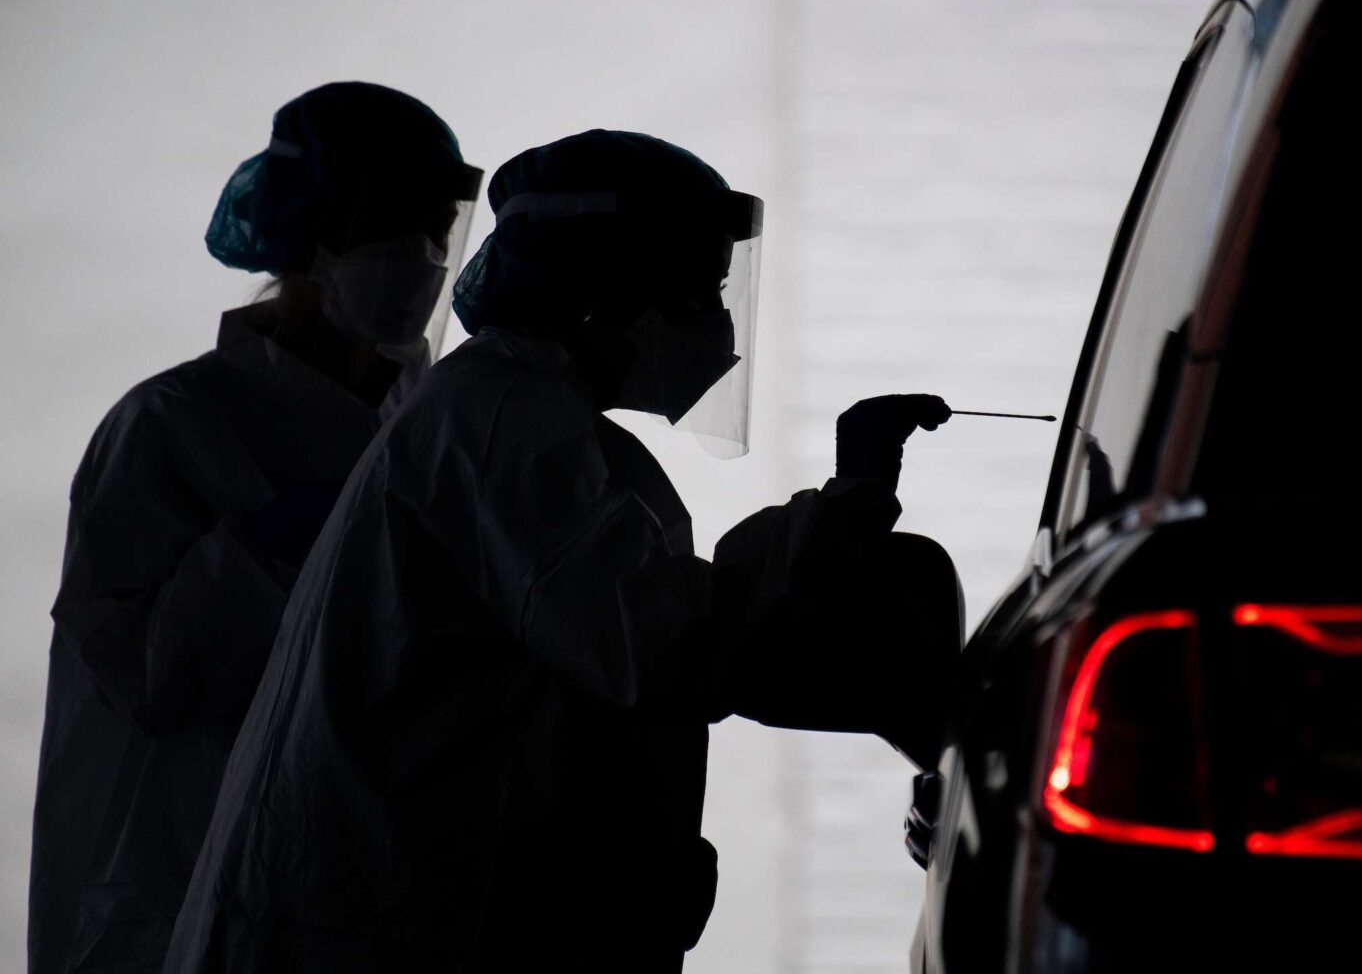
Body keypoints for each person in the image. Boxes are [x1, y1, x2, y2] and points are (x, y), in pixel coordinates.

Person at [161, 129, 961, 973]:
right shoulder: (505, 422)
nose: (717, 322)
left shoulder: (516, 412)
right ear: (605, 289)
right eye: (696, 290)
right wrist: (845, 508)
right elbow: (665, 642)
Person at [29, 82, 482, 974]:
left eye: (436, 227)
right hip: (186, 874)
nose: (423, 257)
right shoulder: (170, 424)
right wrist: (266, 555)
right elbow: (141, 677)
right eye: (391, 222)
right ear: (307, 230)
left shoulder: (426, 419)